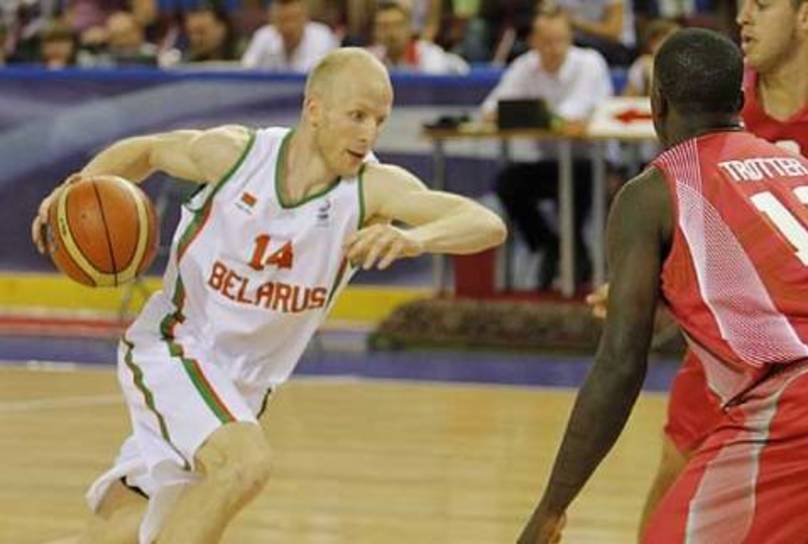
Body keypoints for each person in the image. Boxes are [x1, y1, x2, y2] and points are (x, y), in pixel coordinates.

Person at [31, 47, 506, 544]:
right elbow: (147, 151)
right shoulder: (237, 156)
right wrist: (77, 188)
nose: (369, 134)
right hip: (175, 348)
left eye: (379, 120)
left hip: (241, 391)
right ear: (314, 110)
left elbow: (485, 223)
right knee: (244, 465)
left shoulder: (372, 190)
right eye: (357, 115)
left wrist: (416, 239)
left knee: (120, 532)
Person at [519, 28, 808, 544]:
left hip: (804, 402)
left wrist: (552, 506)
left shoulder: (653, 193)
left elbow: (620, 364)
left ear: (656, 103)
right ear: (740, 102)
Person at [481, 5, 612, 290]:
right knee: (508, 183)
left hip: (592, 162)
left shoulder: (589, 63)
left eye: (560, 41)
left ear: (570, 39)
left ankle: (575, 259)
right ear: (533, 41)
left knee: (575, 189)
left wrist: (540, 117)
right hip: (550, 161)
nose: (554, 48)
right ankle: (549, 245)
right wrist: (504, 113)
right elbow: (491, 107)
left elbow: (575, 110)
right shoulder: (524, 66)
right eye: (546, 41)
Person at [369, 1, 469, 74]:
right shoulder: (369, 59)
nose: (391, 33)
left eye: (397, 25)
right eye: (384, 26)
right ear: (375, 32)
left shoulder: (430, 56)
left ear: (409, 28)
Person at [241, 0, 338, 72]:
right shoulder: (263, 36)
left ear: (305, 18)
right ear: (273, 20)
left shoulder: (323, 37)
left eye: (293, 19)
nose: (288, 27)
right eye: (283, 20)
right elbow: (245, 73)